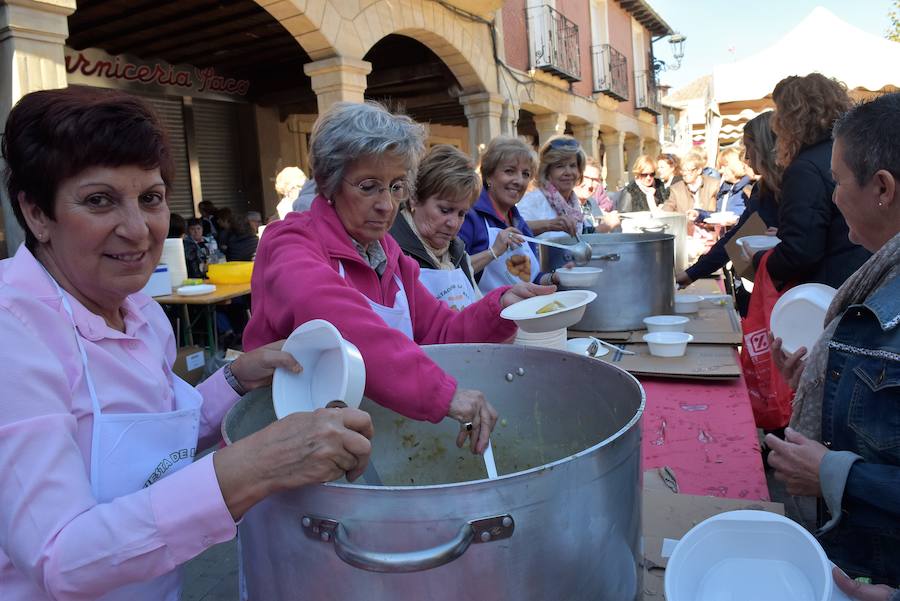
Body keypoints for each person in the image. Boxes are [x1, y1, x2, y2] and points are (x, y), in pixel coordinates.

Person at [0, 87, 374, 600]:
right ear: (37, 213)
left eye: (150, 198)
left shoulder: (141, 313)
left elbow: (156, 443)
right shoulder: (13, 332)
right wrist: (253, 468)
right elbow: (58, 554)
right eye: (99, 200)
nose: (136, 230)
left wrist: (238, 381)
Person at [243, 103, 555, 454]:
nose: (386, 205)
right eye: (368, 186)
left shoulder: (389, 255)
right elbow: (338, 320)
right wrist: (442, 393)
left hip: (361, 438)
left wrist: (499, 308)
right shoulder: (291, 242)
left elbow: (441, 332)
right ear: (329, 182)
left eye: (395, 187)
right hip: (285, 446)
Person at [766, 92, 900, 585]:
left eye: (839, 181)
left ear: (882, 188)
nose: (833, 196)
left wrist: (832, 472)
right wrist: (826, 380)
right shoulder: (880, 273)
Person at [755, 73, 871, 290]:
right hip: (865, 278)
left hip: (828, 291)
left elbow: (800, 252)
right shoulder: (856, 153)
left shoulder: (805, 168)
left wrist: (758, 260)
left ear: (789, 118)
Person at [676, 112, 781, 293]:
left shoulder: (792, 185)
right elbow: (736, 237)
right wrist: (692, 274)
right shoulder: (762, 188)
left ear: (763, 148)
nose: (746, 156)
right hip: (766, 282)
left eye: (749, 147)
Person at [458, 136, 564, 291]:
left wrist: (554, 277)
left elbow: (530, 278)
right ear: (488, 175)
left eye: (525, 174)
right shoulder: (469, 216)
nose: (519, 181)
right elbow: (452, 271)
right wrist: (493, 252)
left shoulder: (518, 221)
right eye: (509, 171)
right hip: (486, 313)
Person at [388, 144, 483, 311]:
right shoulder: (390, 252)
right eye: (445, 210)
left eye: (462, 214)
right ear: (415, 198)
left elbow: (477, 310)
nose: (453, 223)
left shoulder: (458, 253)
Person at [517, 135, 587, 239]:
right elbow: (515, 230)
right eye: (560, 166)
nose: (568, 172)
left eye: (572, 166)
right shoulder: (533, 200)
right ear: (547, 171)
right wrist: (549, 225)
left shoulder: (573, 203)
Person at [664, 149, 720, 218]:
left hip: (708, 227)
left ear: (699, 170)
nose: (685, 173)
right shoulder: (676, 189)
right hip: (685, 226)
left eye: (689, 170)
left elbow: (717, 212)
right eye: (683, 170)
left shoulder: (714, 185)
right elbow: (667, 210)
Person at [575, 157, 620, 233]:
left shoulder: (592, 203)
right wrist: (604, 227)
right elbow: (574, 239)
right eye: (585, 178)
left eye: (594, 180)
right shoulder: (564, 206)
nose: (589, 185)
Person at [715, 146, 752, 216]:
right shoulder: (723, 189)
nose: (721, 171)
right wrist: (700, 215)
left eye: (724, 166)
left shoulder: (748, 188)